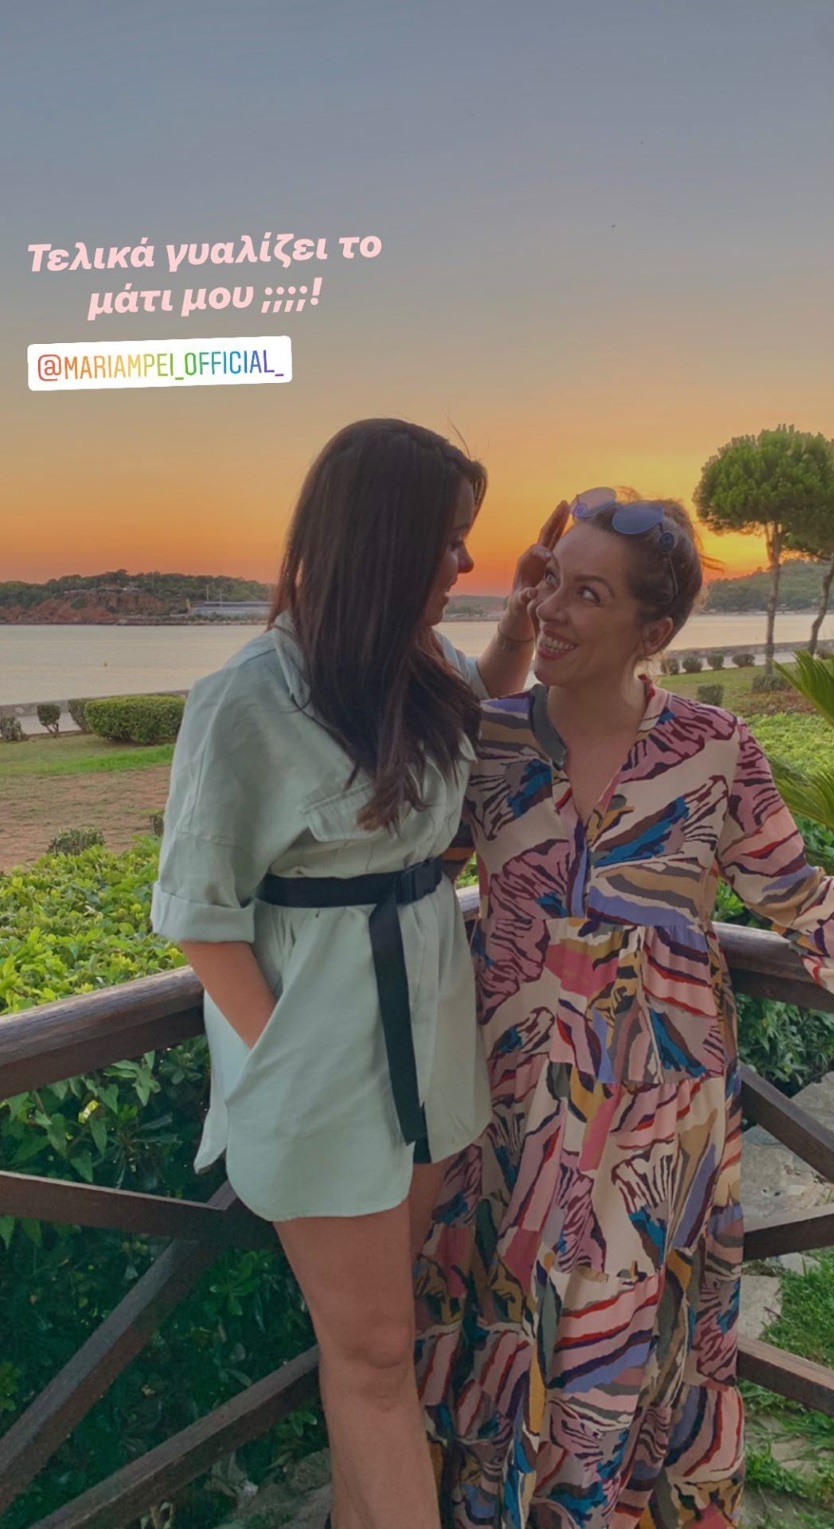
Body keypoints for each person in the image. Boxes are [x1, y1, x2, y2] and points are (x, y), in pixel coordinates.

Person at [150, 417, 568, 1529]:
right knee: (378, 1346)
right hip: (321, 1061)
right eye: (449, 538)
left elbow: (473, 715)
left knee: (375, 1340)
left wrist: (518, 629)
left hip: (422, 1045)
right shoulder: (247, 697)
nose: (465, 562)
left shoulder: (417, 667)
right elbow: (197, 915)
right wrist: (284, 1057)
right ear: (383, 540)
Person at [415, 487, 834, 1528]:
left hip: (657, 1131)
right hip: (509, 1119)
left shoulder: (713, 746)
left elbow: (802, 900)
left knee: (616, 1362)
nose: (550, 608)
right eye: (547, 581)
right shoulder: (485, 743)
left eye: (587, 593)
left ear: (652, 633)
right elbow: (396, 872)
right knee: (501, 1337)